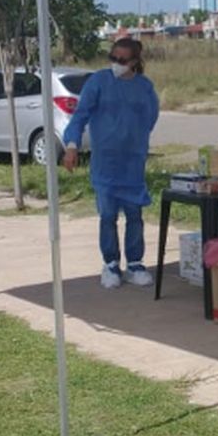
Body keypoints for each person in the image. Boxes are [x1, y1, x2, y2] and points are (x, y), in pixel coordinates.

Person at [61, 37, 161, 289]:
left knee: (134, 215)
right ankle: (111, 263)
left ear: (135, 62)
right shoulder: (99, 82)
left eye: (123, 60)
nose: (117, 63)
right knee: (107, 215)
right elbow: (80, 115)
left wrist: (133, 138)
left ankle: (135, 263)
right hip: (105, 162)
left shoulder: (144, 87)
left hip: (132, 162)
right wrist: (72, 146)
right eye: (113, 58)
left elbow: (150, 118)